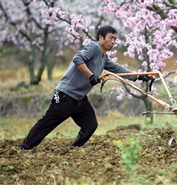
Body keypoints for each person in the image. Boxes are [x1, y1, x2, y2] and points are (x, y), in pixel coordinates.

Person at [19, 25, 150, 150]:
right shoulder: (94, 47)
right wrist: (91, 76)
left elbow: (118, 69)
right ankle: (25, 147)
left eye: (115, 39)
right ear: (100, 38)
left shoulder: (103, 57)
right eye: (110, 38)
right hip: (65, 95)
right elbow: (78, 58)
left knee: (90, 125)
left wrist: (138, 76)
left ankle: (74, 149)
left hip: (80, 99)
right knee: (47, 123)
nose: (113, 41)